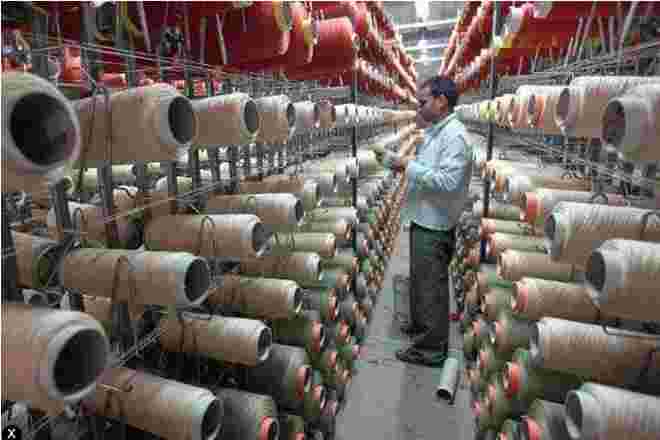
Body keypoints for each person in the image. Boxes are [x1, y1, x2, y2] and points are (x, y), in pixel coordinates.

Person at [382, 76, 473, 366]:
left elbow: (448, 182)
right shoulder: (437, 131)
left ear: (441, 101)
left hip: (435, 224)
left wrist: (408, 166)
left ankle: (430, 349)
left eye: (423, 102)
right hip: (424, 219)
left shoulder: (455, 137)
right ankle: (422, 329)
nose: (419, 108)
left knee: (430, 287)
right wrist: (400, 164)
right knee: (422, 283)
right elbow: (428, 170)